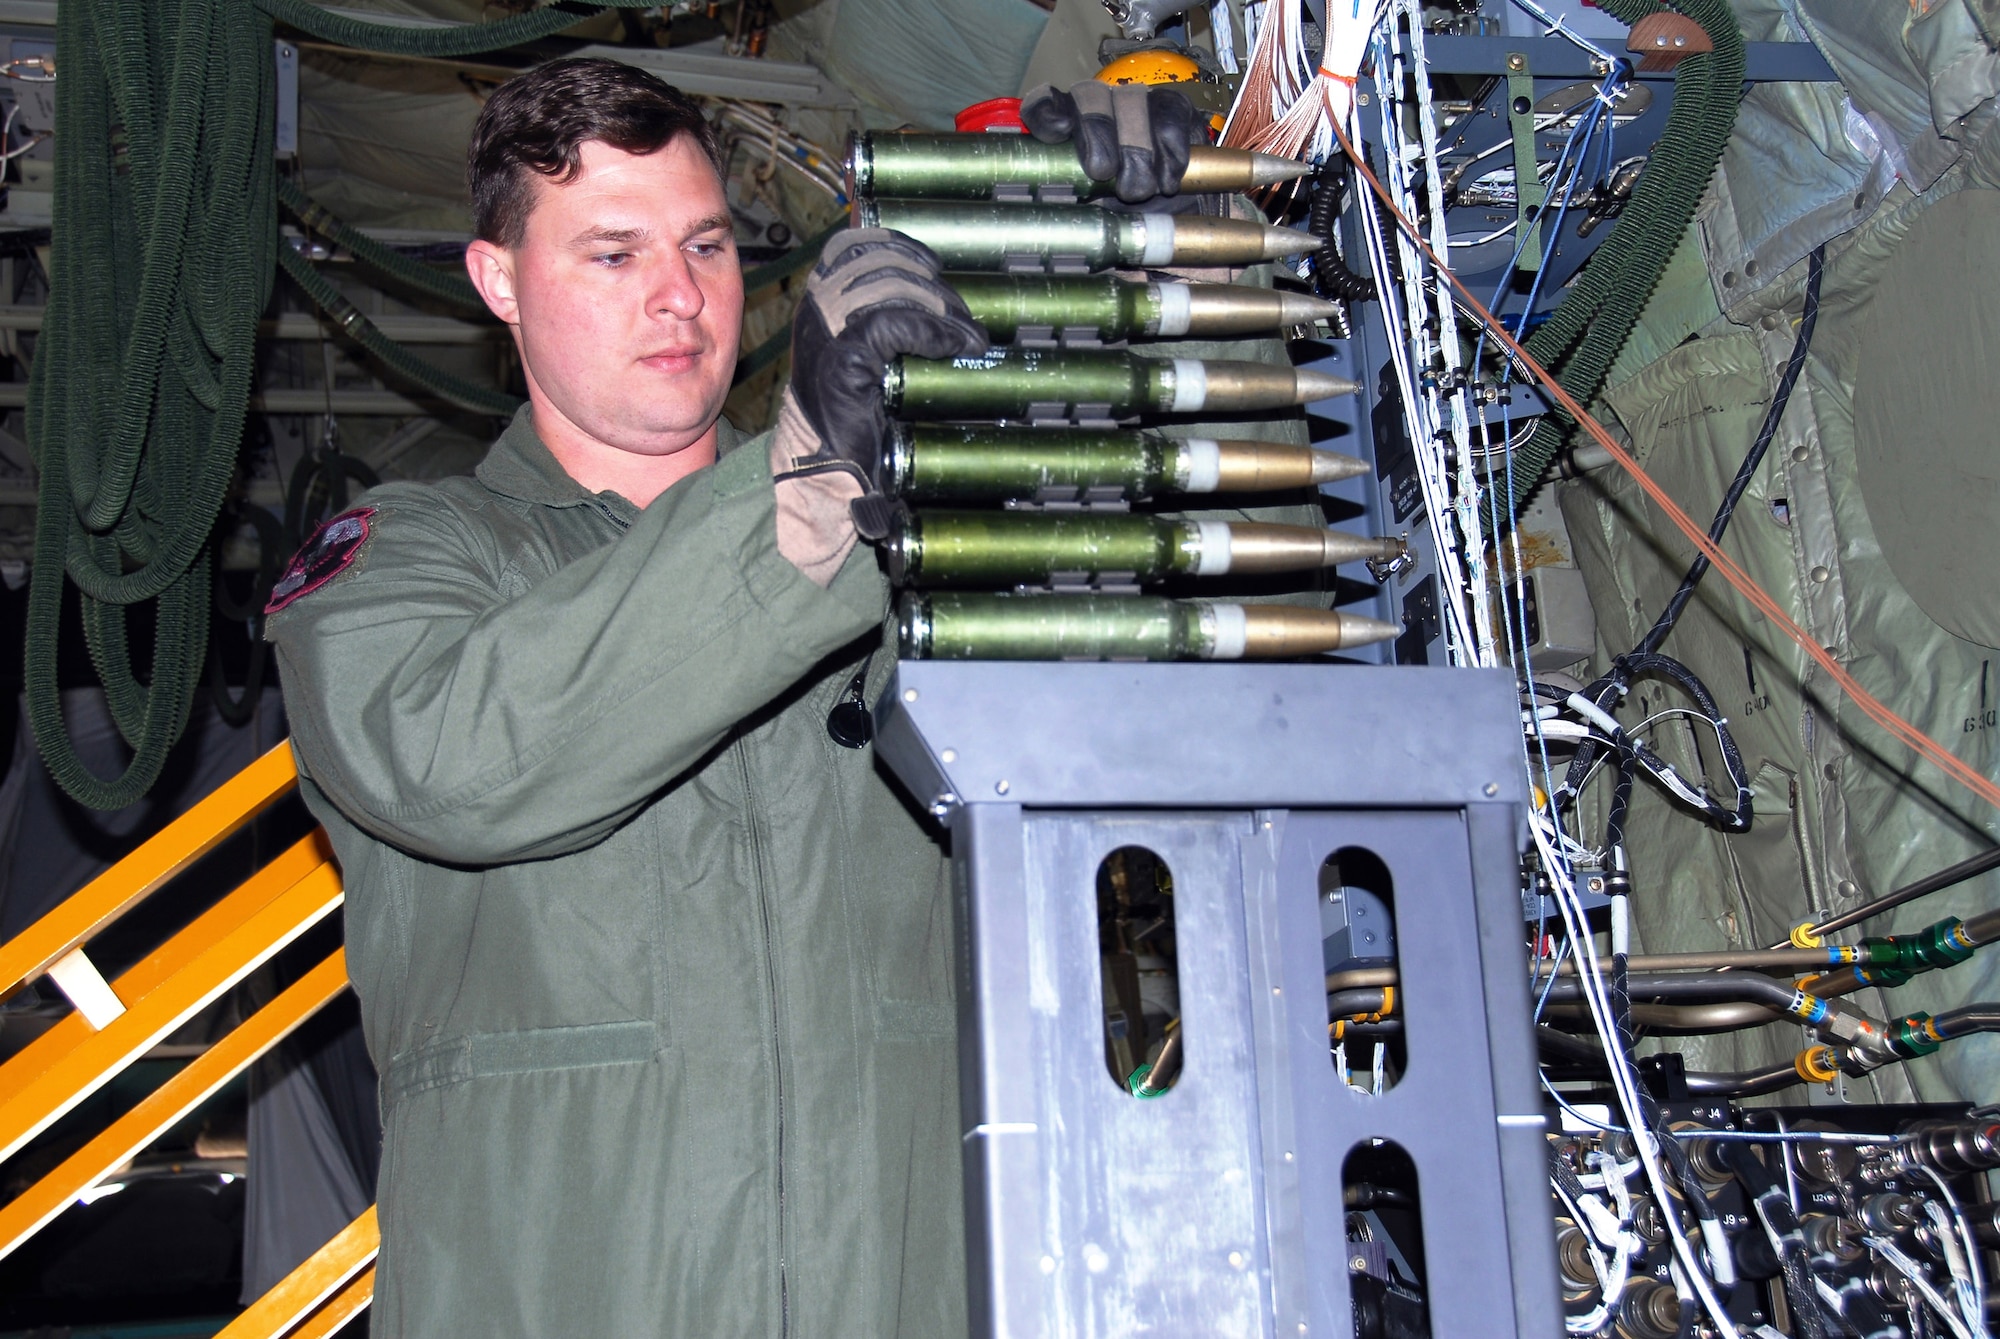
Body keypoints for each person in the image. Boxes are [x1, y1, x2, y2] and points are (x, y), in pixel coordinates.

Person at [265, 57, 1196, 1339]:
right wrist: (806, 491)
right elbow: (453, 758)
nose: (678, 294)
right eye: (610, 253)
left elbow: (1121, 752)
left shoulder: (904, 545)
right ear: (497, 283)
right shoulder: (410, 560)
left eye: (704, 242)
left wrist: (1113, 283)